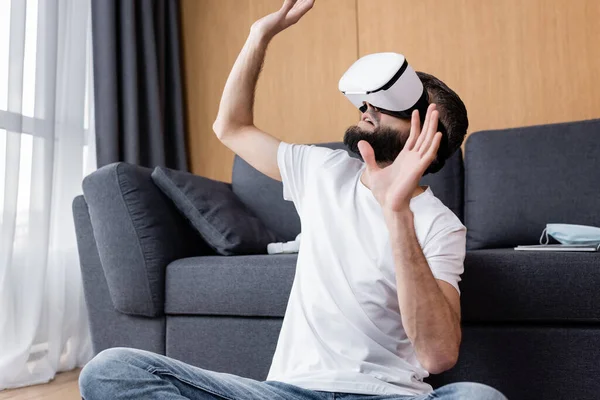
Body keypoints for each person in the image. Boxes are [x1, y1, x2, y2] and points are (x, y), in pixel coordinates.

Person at [79, 1, 507, 399]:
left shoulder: (439, 224)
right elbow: (231, 127)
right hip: (288, 392)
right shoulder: (325, 172)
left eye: (389, 103)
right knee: (109, 370)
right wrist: (260, 35)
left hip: (389, 394)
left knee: (479, 397)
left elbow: (437, 356)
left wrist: (396, 212)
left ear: (426, 136)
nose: (367, 108)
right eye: (368, 100)